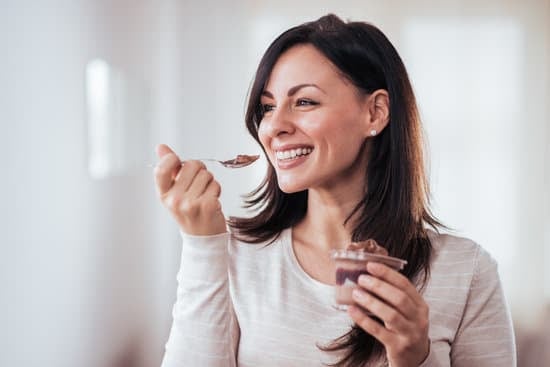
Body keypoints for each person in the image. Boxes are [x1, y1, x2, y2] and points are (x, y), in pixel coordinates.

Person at [154, 14, 516, 367]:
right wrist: (202, 244)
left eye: (305, 101)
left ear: (375, 113)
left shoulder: (465, 271)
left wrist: (415, 359)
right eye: (267, 107)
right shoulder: (236, 255)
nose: (273, 127)